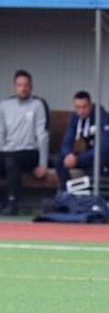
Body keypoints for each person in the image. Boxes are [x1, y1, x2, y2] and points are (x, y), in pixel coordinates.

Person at [0, 70, 49, 215]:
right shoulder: (4, 105)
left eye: (26, 85)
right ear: (14, 87)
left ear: (31, 87)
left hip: (29, 152)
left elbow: (42, 135)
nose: (23, 88)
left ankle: (13, 201)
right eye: (20, 85)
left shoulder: (37, 105)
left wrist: (43, 163)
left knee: (12, 161)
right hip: (7, 151)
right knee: (8, 159)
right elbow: (0, 132)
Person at [56, 91, 109, 191]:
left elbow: (103, 147)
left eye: (84, 107)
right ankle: (67, 193)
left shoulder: (101, 115)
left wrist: (78, 159)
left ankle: (89, 198)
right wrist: (68, 155)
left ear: (90, 105)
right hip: (89, 154)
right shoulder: (75, 117)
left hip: (108, 156)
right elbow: (66, 142)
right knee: (59, 160)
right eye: (78, 108)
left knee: (94, 165)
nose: (81, 111)